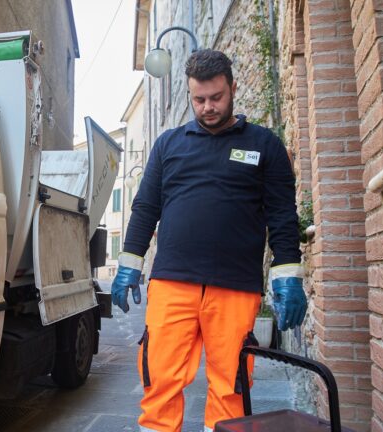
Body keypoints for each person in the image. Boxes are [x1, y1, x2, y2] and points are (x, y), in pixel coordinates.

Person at [111, 49, 307, 432]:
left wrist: (289, 274)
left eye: (216, 97)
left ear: (232, 88)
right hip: (172, 283)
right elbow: (146, 207)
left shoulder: (264, 145)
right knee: (159, 381)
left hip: (234, 287)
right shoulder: (169, 144)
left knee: (231, 387)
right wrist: (128, 264)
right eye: (199, 99)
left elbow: (282, 215)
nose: (208, 107)